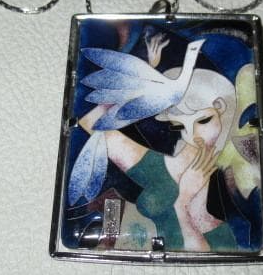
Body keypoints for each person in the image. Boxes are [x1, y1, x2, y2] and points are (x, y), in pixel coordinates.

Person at [77, 35, 239, 252]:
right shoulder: (153, 165)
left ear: (221, 108)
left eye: (203, 120)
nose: (193, 135)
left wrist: (182, 201)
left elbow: (200, 251)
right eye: (180, 125)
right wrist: (145, 78)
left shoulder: (229, 172)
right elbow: (92, 121)